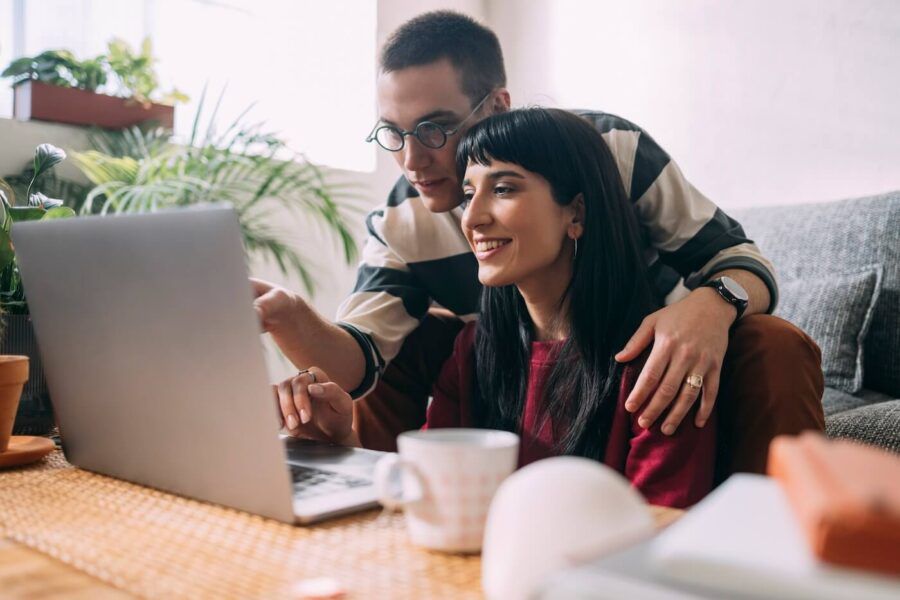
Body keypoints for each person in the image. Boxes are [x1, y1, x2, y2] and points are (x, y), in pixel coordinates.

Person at [254, 11, 824, 476]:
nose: (412, 159)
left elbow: (739, 259)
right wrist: (287, 318)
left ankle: (783, 548)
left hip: (643, 356)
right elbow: (358, 358)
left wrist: (710, 307)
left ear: (498, 106)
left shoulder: (607, 151)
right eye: (393, 133)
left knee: (769, 341)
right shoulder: (405, 216)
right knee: (423, 337)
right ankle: (369, 500)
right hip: (515, 356)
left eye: (433, 129)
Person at [278, 108, 717, 509]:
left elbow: (660, 531)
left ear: (576, 213)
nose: (472, 218)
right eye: (470, 194)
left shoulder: (661, 362)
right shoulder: (473, 350)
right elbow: (427, 498)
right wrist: (341, 441)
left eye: (504, 189)